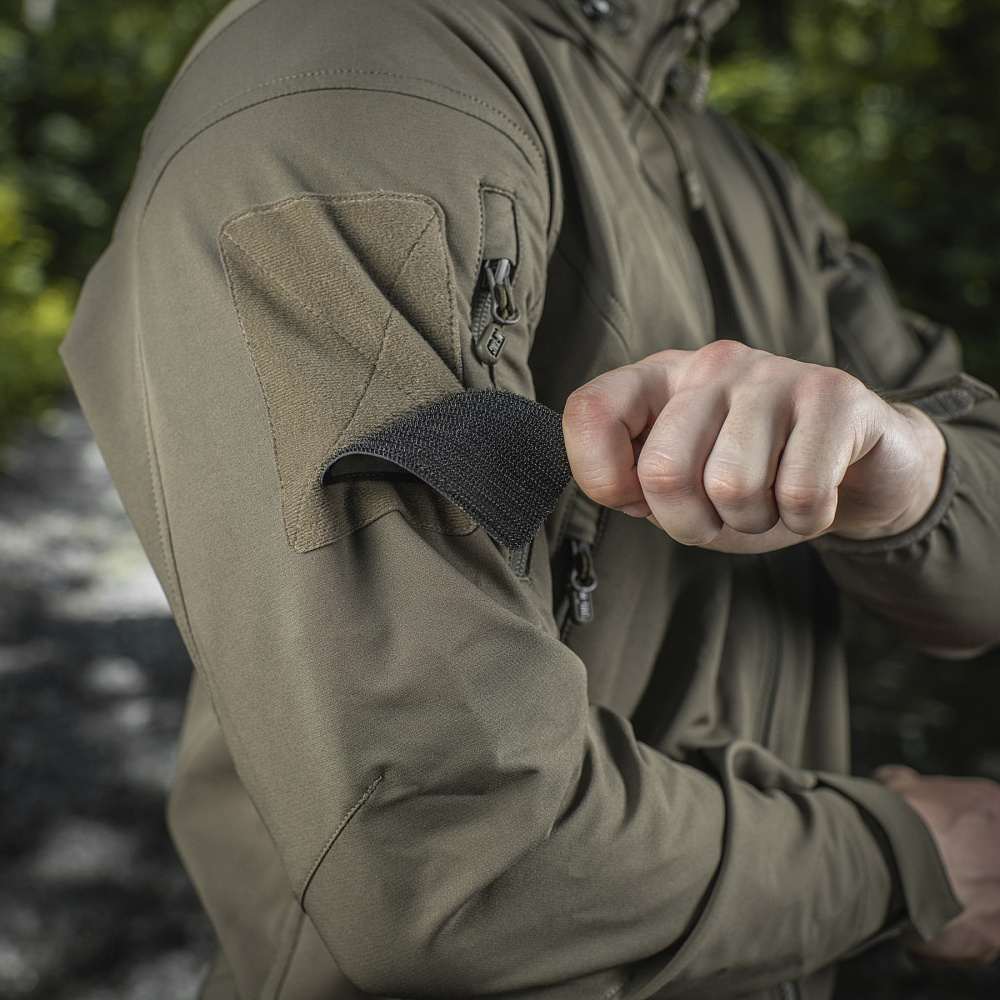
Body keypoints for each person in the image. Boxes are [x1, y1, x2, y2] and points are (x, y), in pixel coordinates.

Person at [60, 0, 1000, 997]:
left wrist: (903, 476)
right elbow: (452, 858)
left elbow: (978, 588)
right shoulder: (354, 80)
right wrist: (896, 857)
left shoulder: (746, 181)